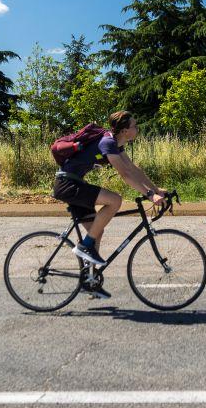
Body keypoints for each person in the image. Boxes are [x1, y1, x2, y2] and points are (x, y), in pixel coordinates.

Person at [52, 110, 166, 298]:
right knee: (115, 200)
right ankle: (84, 246)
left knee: (97, 230)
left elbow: (133, 169)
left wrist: (156, 190)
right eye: (134, 126)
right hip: (67, 185)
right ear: (123, 130)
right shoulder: (108, 142)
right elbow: (125, 175)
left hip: (75, 183)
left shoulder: (117, 145)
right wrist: (149, 195)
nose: (137, 128)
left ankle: (89, 281)